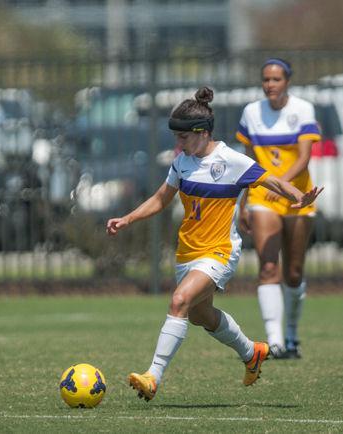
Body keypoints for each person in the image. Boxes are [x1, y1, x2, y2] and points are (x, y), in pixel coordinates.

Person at [106, 87, 322, 401]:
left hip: (219, 252)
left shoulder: (231, 160)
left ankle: (152, 376)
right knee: (198, 315)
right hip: (187, 253)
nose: (177, 145)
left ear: (203, 133)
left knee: (179, 301)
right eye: (175, 138)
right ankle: (252, 353)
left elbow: (271, 180)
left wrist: (299, 198)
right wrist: (127, 219)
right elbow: (160, 199)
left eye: (182, 138)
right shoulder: (181, 164)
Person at [236, 58, 322, 359]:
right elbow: (248, 162)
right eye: (266, 79)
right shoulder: (251, 112)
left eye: (276, 79)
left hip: (299, 197)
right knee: (269, 266)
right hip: (262, 199)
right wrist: (244, 202)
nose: (270, 84)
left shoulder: (303, 109)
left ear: (287, 81)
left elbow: (303, 158)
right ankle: (274, 341)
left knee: (294, 273)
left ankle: (292, 335)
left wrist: (280, 185)